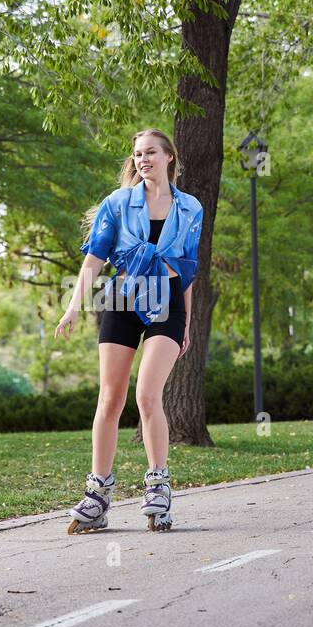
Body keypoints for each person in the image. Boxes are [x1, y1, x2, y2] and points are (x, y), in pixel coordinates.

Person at [54, 128, 204, 534]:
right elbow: (93, 261)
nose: (143, 159)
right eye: (138, 154)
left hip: (167, 301)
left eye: (151, 152)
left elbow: (187, 270)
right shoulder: (117, 204)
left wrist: (187, 320)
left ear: (169, 157)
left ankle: (158, 486)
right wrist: (73, 307)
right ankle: (98, 496)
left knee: (147, 394)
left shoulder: (191, 208)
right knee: (110, 398)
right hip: (122, 300)